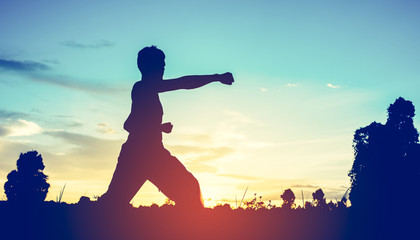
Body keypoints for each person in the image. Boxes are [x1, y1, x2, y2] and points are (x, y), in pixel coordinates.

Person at [100, 46, 234, 209]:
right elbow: (183, 83)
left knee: (189, 189)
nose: (163, 67)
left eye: (164, 63)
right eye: (160, 64)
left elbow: (128, 124)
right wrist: (216, 77)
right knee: (112, 205)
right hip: (141, 155)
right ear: (147, 66)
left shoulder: (145, 91)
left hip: (148, 154)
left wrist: (158, 127)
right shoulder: (142, 87)